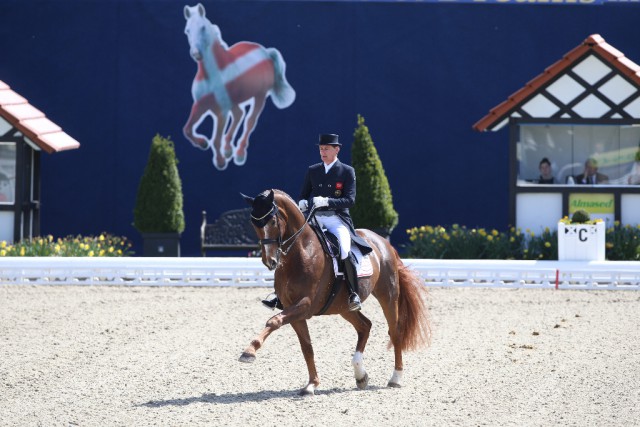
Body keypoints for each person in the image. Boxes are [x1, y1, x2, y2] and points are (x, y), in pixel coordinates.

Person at [262, 133, 372, 312]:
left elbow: (350, 200)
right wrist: (303, 203)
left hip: (337, 220)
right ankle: (279, 294)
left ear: (337, 149)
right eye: (321, 149)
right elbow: (304, 194)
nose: (323, 152)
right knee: (290, 245)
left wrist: (328, 202)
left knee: (344, 250)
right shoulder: (313, 170)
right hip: (315, 218)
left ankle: (353, 293)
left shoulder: (346, 171)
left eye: (327, 148)